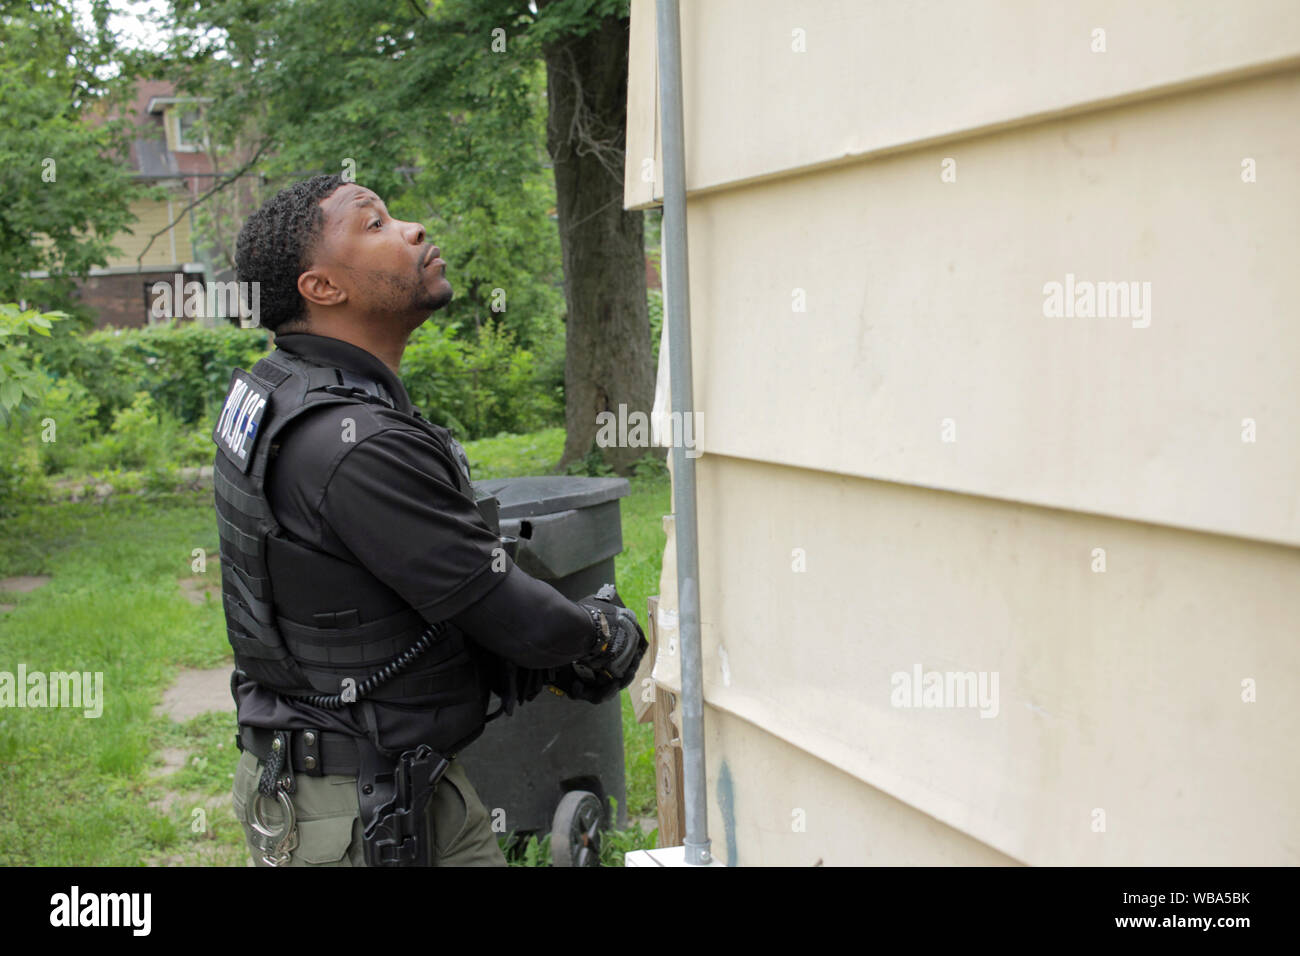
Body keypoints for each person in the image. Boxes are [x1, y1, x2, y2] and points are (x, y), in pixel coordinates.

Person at [213, 173, 646, 867]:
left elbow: (377, 593)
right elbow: (507, 611)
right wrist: (599, 636)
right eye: (375, 224)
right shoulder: (356, 445)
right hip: (361, 808)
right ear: (322, 288)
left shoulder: (277, 392)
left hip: (336, 778)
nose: (412, 229)